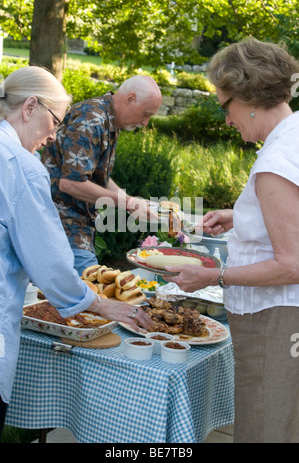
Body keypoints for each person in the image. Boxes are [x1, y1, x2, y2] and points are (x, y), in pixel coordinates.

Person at [0, 66, 153, 438]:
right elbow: (51, 266)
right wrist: (99, 305)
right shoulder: (21, 166)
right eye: (54, 122)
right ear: (30, 107)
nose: (54, 136)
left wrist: (127, 200)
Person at [164, 38, 299, 443]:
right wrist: (240, 217)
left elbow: (291, 263)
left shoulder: (275, 162)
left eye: (225, 106)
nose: (226, 119)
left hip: (275, 320)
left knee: (265, 429)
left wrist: (215, 276)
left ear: (250, 95)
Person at [41, 75, 162, 275]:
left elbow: (96, 176)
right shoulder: (92, 119)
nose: (146, 122)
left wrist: (130, 200)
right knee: (92, 288)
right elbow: (71, 183)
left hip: (73, 224)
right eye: (145, 114)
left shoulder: (106, 117)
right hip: (61, 223)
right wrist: (127, 202)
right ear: (130, 98)